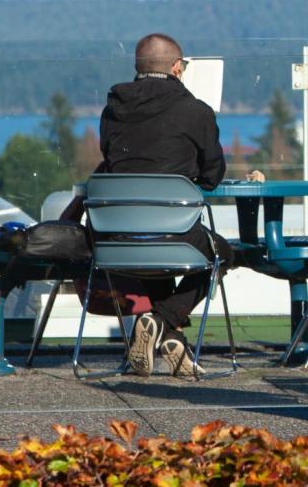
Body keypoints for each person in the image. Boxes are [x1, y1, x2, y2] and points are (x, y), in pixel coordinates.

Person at [96, 32, 231, 379]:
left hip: (116, 242)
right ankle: (161, 320)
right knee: (224, 253)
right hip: (176, 237)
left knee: (155, 247)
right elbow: (213, 175)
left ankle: (173, 340)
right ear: (176, 68)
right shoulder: (196, 112)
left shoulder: (112, 111)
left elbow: (109, 161)